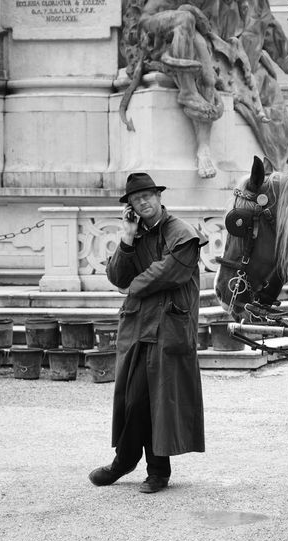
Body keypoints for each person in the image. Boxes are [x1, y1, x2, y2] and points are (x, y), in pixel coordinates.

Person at [89, 173, 207, 493]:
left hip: (169, 326)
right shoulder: (136, 233)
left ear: (158, 196)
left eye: (148, 196)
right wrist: (127, 238)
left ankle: (142, 467)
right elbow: (117, 275)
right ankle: (138, 465)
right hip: (139, 325)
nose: (143, 202)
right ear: (130, 206)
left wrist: (134, 287)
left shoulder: (181, 233)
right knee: (134, 399)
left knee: (156, 401)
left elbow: (170, 271)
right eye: (136, 199)